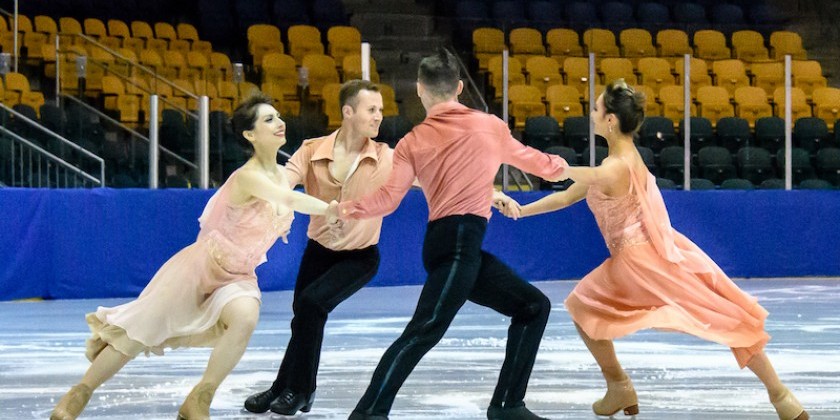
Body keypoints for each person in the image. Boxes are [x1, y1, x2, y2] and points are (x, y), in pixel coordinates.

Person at [496, 79, 809, 420]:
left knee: (592, 307)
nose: (592, 114)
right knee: (714, 313)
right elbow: (568, 194)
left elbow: (566, 174)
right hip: (645, 257)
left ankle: (620, 385)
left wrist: (530, 160)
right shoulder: (615, 161)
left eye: (597, 109)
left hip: (640, 260)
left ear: (611, 120)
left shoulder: (615, 167)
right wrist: (522, 210)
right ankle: (781, 397)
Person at [50, 92, 338, 420]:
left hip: (238, 276)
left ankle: (199, 399)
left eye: (278, 116)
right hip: (200, 268)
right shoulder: (248, 176)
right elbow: (291, 200)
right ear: (249, 134)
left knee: (245, 317)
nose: (279, 122)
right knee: (136, 333)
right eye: (268, 119)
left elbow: (292, 191)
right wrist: (330, 208)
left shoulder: (280, 176)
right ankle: (81, 391)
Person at [333, 49, 569, 420]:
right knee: (425, 328)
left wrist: (348, 208)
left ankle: (508, 406)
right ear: (460, 87)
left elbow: (387, 200)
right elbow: (540, 164)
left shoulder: (412, 140)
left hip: (451, 245)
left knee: (533, 306)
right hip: (461, 245)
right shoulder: (489, 126)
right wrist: (564, 167)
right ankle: (367, 413)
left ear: (420, 90)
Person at [242, 79, 394, 416]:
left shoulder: (385, 157)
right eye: (372, 109)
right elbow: (285, 179)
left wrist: (489, 193)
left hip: (360, 257)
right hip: (319, 251)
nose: (379, 116)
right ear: (348, 112)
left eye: (380, 110)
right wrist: (279, 203)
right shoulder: (313, 151)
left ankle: (301, 390)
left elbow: (433, 179)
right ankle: (282, 388)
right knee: (303, 317)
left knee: (311, 304)